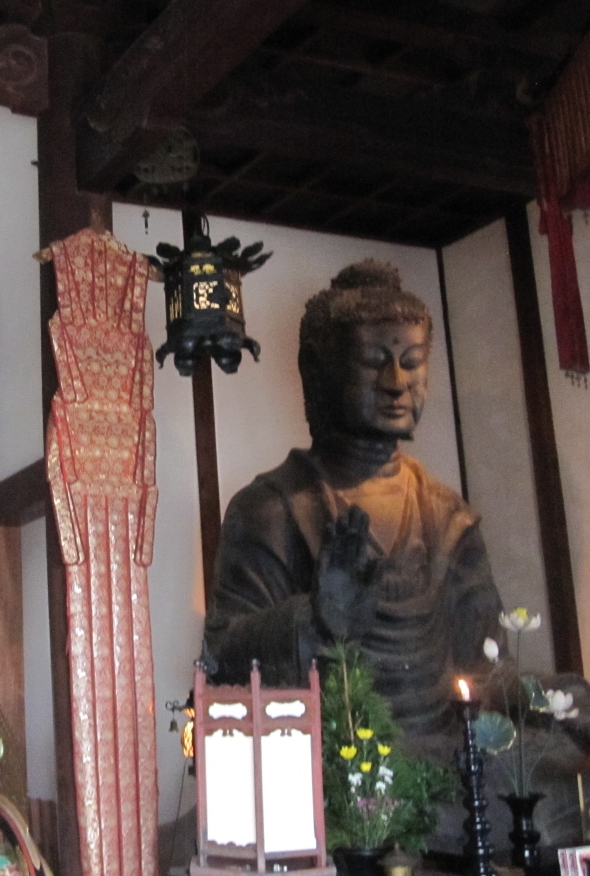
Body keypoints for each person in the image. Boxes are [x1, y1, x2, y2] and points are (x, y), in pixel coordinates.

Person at [204, 260, 503, 734]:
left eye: (412, 361)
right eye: (372, 361)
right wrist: (315, 620)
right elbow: (220, 663)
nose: (396, 382)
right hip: (335, 756)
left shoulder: (448, 517)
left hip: (448, 748)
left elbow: (486, 672)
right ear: (319, 370)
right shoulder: (271, 509)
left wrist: (551, 699)